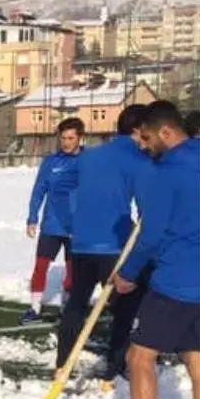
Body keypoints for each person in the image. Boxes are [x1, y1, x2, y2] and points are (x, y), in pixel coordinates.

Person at [113, 101, 200, 399]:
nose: (144, 146)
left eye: (147, 138)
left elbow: (149, 235)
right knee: (196, 358)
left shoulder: (168, 174)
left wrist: (127, 275)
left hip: (176, 283)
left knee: (139, 356)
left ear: (166, 132)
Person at [56, 104, 154, 384]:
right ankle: (115, 366)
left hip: (82, 242)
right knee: (126, 305)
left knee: (76, 302)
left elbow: (76, 196)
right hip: (114, 246)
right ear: (138, 131)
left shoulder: (90, 157)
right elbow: (148, 210)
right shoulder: (138, 161)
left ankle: (62, 361)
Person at [21, 117, 83, 324]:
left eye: (71, 138)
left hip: (78, 227)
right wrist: (32, 217)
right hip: (52, 225)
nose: (66, 142)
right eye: (63, 138)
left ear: (80, 138)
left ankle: (66, 309)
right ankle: (34, 308)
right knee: (41, 265)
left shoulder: (89, 162)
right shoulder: (51, 162)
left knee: (73, 269)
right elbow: (39, 190)